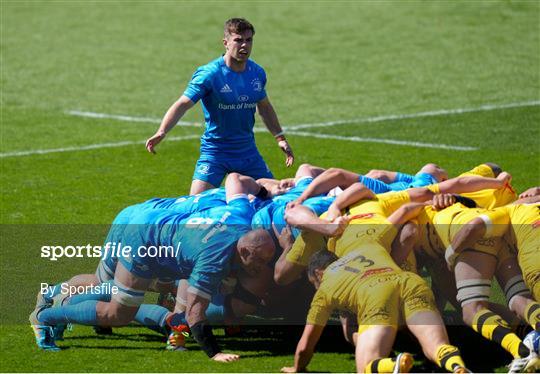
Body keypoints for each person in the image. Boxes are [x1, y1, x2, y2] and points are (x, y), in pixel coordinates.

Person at [30, 173, 275, 363]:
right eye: (261, 261)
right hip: (144, 235)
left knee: (112, 287)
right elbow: (194, 305)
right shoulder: (216, 252)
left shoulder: (240, 210)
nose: (263, 267)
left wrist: (264, 188)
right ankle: (48, 310)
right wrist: (210, 350)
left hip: (153, 223)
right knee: (114, 303)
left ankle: (57, 298)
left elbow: (235, 178)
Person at [145, 18, 294, 194]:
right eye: (238, 40)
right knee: (196, 204)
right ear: (226, 43)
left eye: (248, 40)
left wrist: (280, 137)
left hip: (247, 152)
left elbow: (265, 107)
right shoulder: (210, 74)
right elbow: (183, 104)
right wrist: (162, 131)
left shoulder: (257, 73)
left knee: (275, 197)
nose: (244, 45)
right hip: (215, 153)